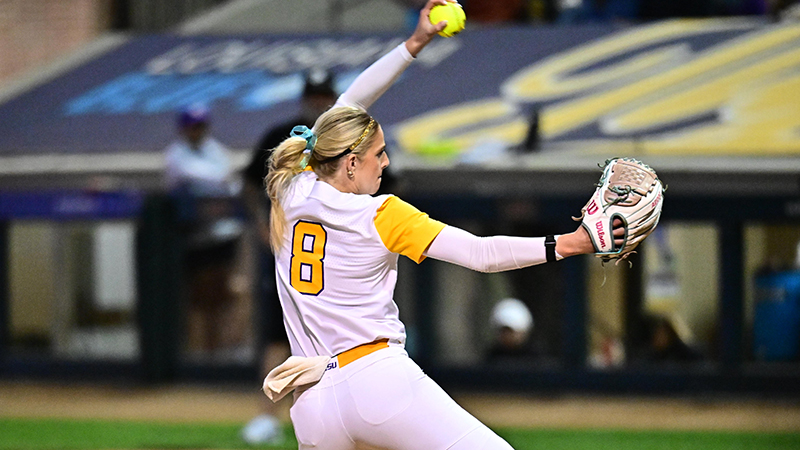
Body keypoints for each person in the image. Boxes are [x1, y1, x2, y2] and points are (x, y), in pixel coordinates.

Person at [262, 1, 624, 448]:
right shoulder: (380, 213)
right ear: (351, 164)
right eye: (379, 153)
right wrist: (570, 244)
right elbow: (480, 254)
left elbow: (345, 110)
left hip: (312, 400)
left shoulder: (293, 188)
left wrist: (414, 44)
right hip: (377, 382)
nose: (387, 161)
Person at [240, 70, 339, 444]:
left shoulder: (349, 137)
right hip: (289, 252)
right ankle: (268, 416)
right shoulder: (281, 138)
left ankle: (339, 416)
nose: (318, 102)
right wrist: (262, 227)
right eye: (313, 96)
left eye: (324, 95)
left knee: (337, 336)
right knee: (278, 332)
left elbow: (387, 186)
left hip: (336, 254)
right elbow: (250, 183)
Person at [164, 103, 243, 356]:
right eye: (191, 127)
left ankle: (221, 350)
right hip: (192, 237)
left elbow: (228, 178)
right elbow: (202, 175)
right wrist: (220, 183)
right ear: (183, 129)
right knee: (198, 299)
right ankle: (196, 353)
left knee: (225, 294)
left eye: (200, 126)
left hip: (222, 235)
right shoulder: (175, 154)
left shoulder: (215, 150)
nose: (196, 131)